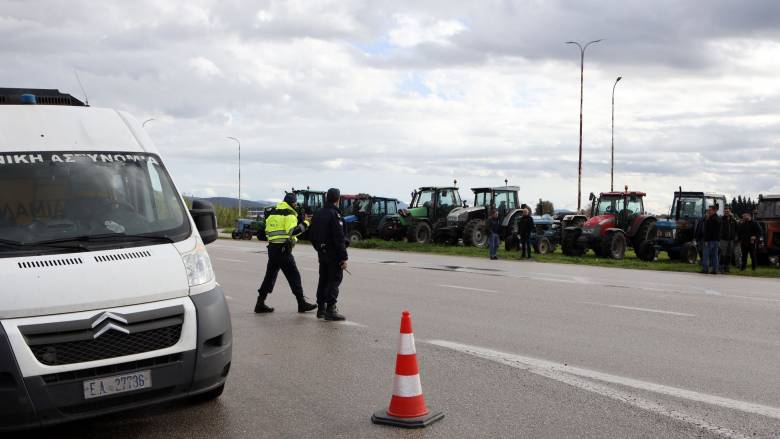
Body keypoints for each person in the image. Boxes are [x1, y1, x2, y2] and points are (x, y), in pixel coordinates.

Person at [254, 193, 317, 314]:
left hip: (272, 249)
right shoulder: (290, 214)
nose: (296, 205)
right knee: (294, 276)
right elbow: (293, 231)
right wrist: (306, 223)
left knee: (269, 277)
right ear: (292, 203)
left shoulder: (273, 212)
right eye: (295, 203)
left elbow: (265, 232)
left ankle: (260, 303)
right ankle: (301, 303)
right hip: (283, 250)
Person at [310, 188, 349, 321]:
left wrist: (319, 248)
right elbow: (339, 238)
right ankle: (330, 309)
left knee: (323, 279)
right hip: (333, 254)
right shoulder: (335, 214)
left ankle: (321, 308)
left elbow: (312, 234)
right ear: (338, 199)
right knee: (334, 280)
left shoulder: (318, 213)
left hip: (322, 253)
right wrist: (344, 257)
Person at [700, 205, 721, 274]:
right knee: (715, 255)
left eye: (710, 210)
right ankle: (715, 269)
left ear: (714, 211)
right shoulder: (718, 219)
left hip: (710, 240)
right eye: (708, 210)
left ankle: (705, 269)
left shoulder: (710, 219)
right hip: (716, 240)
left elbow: (708, 231)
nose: (708, 211)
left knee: (706, 255)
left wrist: (706, 240)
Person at [719, 206, 738, 273]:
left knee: (729, 254)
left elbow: (737, 229)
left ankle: (727, 268)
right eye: (725, 211)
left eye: (727, 211)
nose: (726, 212)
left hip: (731, 240)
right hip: (723, 239)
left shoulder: (733, 220)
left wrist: (735, 236)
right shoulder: (721, 219)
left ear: (730, 212)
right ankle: (721, 268)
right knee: (722, 254)